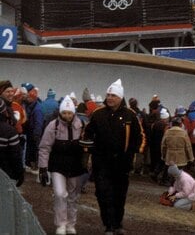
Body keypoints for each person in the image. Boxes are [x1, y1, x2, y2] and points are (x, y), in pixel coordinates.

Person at [81, 79, 144, 235]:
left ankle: (117, 223)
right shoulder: (98, 114)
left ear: (120, 97)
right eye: (108, 95)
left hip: (122, 162)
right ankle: (108, 224)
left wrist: (137, 155)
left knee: (119, 194)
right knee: (103, 192)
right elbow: (87, 134)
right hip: (101, 162)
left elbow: (140, 136)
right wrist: (87, 154)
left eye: (113, 95)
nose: (110, 98)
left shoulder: (130, 115)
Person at [38, 93, 86, 234]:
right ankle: (61, 224)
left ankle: (71, 223)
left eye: (69, 113)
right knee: (60, 194)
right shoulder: (53, 126)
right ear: (60, 113)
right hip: (58, 165)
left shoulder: (81, 125)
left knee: (73, 196)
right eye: (64, 113)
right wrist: (43, 167)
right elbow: (45, 147)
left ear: (74, 112)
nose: (67, 116)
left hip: (75, 165)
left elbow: (88, 144)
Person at [0, 79, 25, 186]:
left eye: (11, 91)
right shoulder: (3, 108)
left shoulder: (11, 106)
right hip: (6, 148)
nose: (11, 94)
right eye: (7, 92)